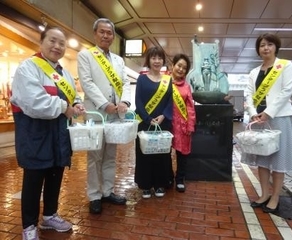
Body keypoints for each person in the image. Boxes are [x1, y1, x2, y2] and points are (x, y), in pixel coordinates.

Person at [10, 27, 86, 240]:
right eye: (52, 41)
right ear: (41, 42)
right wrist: (65, 108)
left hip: (59, 136)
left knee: (55, 176)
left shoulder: (64, 73)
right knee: (34, 181)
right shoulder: (28, 68)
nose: (57, 46)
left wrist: (77, 104)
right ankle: (29, 226)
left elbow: (73, 96)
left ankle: (50, 215)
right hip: (35, 135)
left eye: (61, 43)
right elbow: (34, 103)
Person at [244, 33, 292, 213]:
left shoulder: (285, 66)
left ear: (276, 47)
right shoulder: (254, 72)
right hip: (259, 121)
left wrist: (268, 113)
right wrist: (254, 114)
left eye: (270, 44)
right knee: (262, 159)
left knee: (278, 160)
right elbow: (248, 95)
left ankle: (275, 196)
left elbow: (286, 91)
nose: (266, 48)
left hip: (279, 119)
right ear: (258, 49)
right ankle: (264, 194)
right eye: (262, 45)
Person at [77, 18, 131, 214]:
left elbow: (125, 82)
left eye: (109, 32)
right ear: (95, 34)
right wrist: (104, 104)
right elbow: (87, 82)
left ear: (113, 36)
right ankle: (94, 195)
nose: (106, 35)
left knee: (110, 155)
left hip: (115, 115)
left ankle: (107, 191)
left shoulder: (119, 60)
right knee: (94, 156)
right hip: (96, 114)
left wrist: (125, 102)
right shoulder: (85, 55)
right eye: (102, 32)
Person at [135, 46, 173, 199]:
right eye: (153, 58)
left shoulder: (167, 80)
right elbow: (138, 101)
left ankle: (160, 184)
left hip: (162, 124)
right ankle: (145, 185)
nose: (157, 61)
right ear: (148, 60)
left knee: (162, 154)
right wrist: (147, 118)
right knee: (144, 154)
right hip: (145, 123)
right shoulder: (141, 79)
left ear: (163, 60)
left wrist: (164, 116)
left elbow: (170, 102)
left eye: (159, 58)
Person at [171, 53, 196, 192]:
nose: (181, 69)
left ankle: (180, 179)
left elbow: (190, 108)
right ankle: (167, 177)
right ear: (173, 65)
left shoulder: (186, 87)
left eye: (184, 68)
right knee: (163, 152)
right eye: (179, 65)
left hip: (182, 124)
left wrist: (190, 125)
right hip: (167, 123)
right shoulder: (164, 83)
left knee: (182, 154)